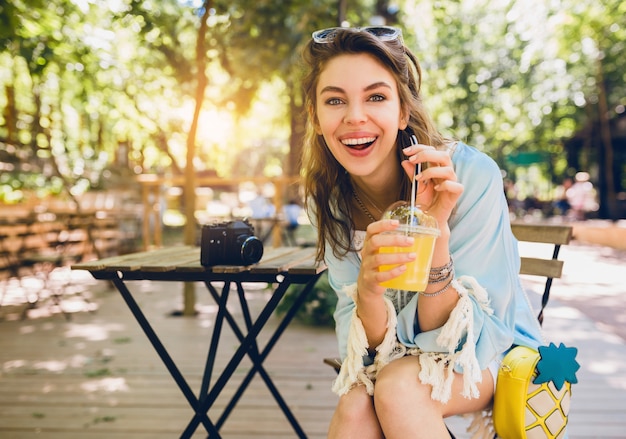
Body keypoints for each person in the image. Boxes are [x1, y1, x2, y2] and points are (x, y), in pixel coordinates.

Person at [300, 26, 543, 438]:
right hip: (395, 362)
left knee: (397, 386)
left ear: (402, 112)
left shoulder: (468, 174)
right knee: (358, 402)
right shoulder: (329, 201)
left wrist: (436, 235)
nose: (354, 116)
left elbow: (463, 341)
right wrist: (370, 290)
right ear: (317, 119)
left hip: (494, 353)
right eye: (335, 100)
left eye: (375, 97)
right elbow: (362, 351)